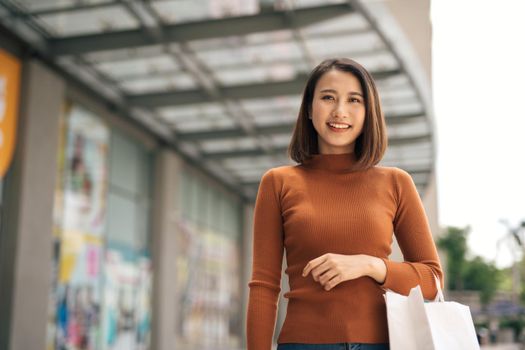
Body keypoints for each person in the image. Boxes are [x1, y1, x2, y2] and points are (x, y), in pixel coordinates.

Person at [246, 57, 444, 350]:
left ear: (368, 112)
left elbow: (432, 280)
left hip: (380, 344)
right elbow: (264, 287)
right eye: (328, 97)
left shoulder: (396, 182)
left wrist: (370, 265)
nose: (340, 111)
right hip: (303, 345)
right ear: (310, 109)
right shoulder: (278, 182)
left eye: (354, 100)